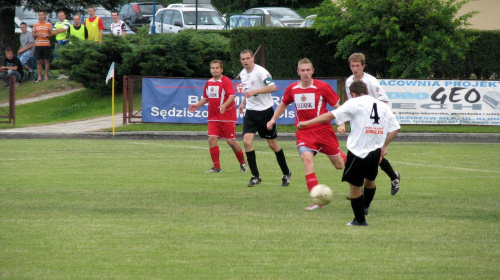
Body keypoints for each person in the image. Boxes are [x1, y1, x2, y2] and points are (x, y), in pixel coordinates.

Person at [298, 80, 400, 226]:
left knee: (355, 188)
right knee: (370, 181)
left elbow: (330, 115)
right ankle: (365, 207)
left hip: (358, 151)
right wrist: (384, 146)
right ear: (366, 91)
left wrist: (307, 123)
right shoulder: (382, 106)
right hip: (375, 152)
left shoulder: (354, 103)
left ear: (352, 94)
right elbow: (395, 128)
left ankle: (360, 220)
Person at [267, 58, 347, 210]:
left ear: (312, 71)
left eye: (307, 70)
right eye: (302, 70)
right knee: (307, 158)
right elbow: (283, 104)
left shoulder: (322, 87)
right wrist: (273, 120)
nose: (305, 73)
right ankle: (317, 201)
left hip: (324, 132)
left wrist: (341, 124)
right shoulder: (293, 89)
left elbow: (338, 107)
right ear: (298, 72)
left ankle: (347, 159)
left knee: (339, 165)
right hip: (304, 132)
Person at [340, 52, 401, 198]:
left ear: (363, 66)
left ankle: (360, 189)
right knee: (364, 153)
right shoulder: (349, 81)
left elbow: (384, 101)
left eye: (358, 66)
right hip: (359, 124)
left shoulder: (371, 81)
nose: (355, 69)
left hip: (373, 123)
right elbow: (351, 103)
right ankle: (392, 177)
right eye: (352, 66)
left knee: (371, 154)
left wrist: (370, 110)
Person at [237, 49, 291, 187]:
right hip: (250, 112)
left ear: (253, 58)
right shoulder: (243, 74)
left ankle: (286, 172)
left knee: (272, 145)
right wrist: (243, 103)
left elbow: (273, 87)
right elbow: (247, 91)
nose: (245, 61)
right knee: (247, 142)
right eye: (243, 59)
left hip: (265, 112)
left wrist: (254, 92)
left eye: (248, 58)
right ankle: (255, 176)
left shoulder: (261, 72)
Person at [188, 60, 247, 173]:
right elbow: (206, 98)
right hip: (213, 117)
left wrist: (224, 105)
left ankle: (242, 163)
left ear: (221, 69)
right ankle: (216, 167)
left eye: (217, 68)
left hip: (227, 117)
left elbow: (232, 96)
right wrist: (197, 105)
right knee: (212, 139)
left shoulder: (226, 81)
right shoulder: (209, 82)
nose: (214, 70)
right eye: (213, 68)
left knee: (231, 142)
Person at [32, 11, 52, 83]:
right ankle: (39, 76)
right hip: (38, 44)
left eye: (41, 15)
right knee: (39, 61)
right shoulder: (35, 24)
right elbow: (33, 35)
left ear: (45, 16)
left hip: (46, 44)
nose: (40, 16)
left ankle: (46, 76)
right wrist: (37, 34)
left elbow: (51, 34)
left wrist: (47, 35)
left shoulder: (49, 24)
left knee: (46, 60)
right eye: (39, 15)